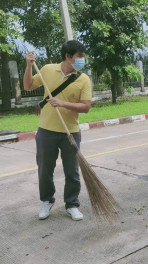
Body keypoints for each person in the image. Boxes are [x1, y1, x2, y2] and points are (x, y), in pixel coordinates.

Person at [23, 40, 92, 221]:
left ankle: (72, 204)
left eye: (82, 56)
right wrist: (29, 66)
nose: (82, 60)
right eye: (79, 56)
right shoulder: (46, 69)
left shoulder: (83, 79)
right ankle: (47, 200)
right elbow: (28, 86)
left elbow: (85, 107)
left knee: (72, 171)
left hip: (71, 132)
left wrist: (62, 103)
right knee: (45, 169)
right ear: (68, 57)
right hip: (46, 131)